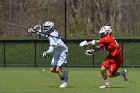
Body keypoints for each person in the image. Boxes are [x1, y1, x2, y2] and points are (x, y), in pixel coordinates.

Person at [28, 21, 69, 88]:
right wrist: (36, 30)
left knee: (58, 70)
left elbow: (51, 50)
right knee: (52, 70)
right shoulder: (52, 32)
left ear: (51, 27)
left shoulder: (53, 35)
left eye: (46, 27)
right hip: (57, 52)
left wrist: (46, 53)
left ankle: (64, 83)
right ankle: (64, 73)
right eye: (44, 27)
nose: (45, 28)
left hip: (62, 52)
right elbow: (44, 34)